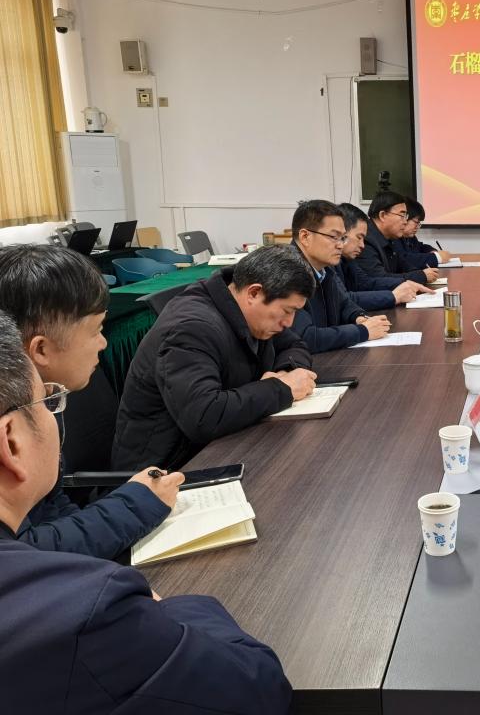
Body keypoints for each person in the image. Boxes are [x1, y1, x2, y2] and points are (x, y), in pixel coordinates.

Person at [0, 311, 292, 713]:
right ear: (11, 442)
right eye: (49, 403)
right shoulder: (89, 612)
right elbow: (258, 686)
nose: (105, 342)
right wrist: (163, 607)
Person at [0, 246, 181, 560]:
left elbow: (52, 506)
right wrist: (135, 505)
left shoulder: (42, 401)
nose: (104, 342)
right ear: (40, 350)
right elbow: (21, 554)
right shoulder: (16, 417)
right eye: (96, 330)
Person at [112, 245, 318, 471]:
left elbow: (294, 344)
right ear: (253, 293)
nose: (289, 322)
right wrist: (280, 389)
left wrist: (286, 373)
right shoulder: (192, 328)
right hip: (166, 470)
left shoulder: (250, 312)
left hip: (221, 445)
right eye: (287, 311)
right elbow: (203, 417)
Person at [289, 199, 391, 351]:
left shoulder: (324, 268)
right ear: (305, 237)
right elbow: (305, 337)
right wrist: (362, 331)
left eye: (342, 238)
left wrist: (358, 317)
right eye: (333, 237)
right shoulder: (288, 272)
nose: (340, 245)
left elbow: (344, 304)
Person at [336, 202, 431, 310]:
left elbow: (365, 283)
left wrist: (406, 283)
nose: (362, 245)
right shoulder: (331, 264)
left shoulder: (346, 259)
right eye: (359, 237)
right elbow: (343, 300)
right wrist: (394, 296)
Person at [354, 191, 440, 285]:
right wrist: (421, 276)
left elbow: (402, 265)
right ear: (382, 215)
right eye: (402, 216)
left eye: (406, 216)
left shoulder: (390, 237)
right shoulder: (365, 240)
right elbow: (379, 279)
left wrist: (422, 273)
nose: (405, 222)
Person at [394, 198, 452, 268]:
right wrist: (437, 257)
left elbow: (421, 247)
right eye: (416, 222)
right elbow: (405, 260)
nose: (417, 227)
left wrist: (432, 251)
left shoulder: (409, 237)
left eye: (419, 223)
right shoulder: (394, 237)